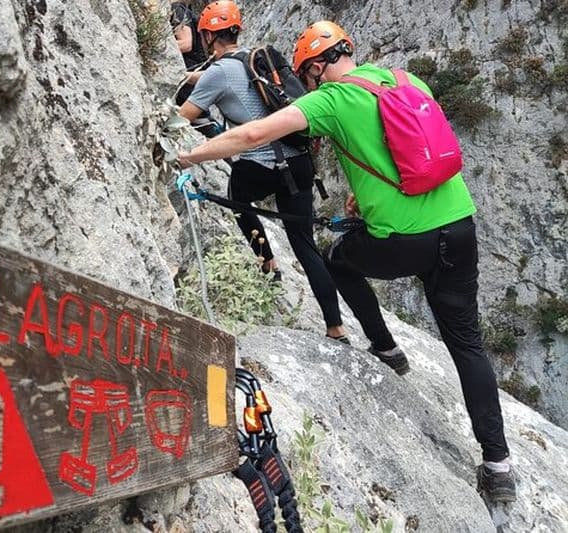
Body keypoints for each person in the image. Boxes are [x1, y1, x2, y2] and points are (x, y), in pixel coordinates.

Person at [177, 20, 516, 503]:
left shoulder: (330, 100)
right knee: (467, 344)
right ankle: (498, 467)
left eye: (306, 77)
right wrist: (363, 198)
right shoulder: (403, 80)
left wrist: (189, 157)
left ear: (316, 68)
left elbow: (254, 132)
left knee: (338, 261)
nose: (307, 85)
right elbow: (416, 145)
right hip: (459, 226)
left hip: (403, 239)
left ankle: (386, 348)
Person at [178, 2, 348, 343]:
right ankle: (336, 327)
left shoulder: (216, 72)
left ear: (208, 35)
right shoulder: (257, 58)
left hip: (258, 166)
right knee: (305, 245)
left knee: (238, 200)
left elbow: (186, 114)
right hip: (298, 164)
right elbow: (229, 78)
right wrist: (199, 77)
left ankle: (267, 261)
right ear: (236, 30)